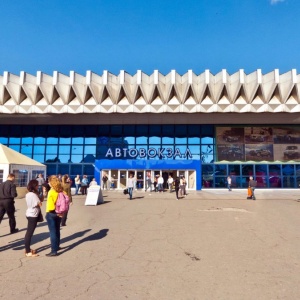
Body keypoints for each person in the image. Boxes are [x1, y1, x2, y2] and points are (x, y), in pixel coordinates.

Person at [24, 179, 42, 257]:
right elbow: (40, 204)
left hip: (29, 212)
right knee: (29, 233)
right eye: (37, 185)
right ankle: (28, 251)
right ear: (34, 186)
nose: (38, 186)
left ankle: (27, 249)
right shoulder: (33, 195)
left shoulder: (28, 194)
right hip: (33, 214)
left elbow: (38, 201)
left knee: (29, 232)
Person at [45, 175, 61, 257]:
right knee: (57, 230)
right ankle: (57, 246)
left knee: (52, 232)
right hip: (59, 212)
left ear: (51, 182)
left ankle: (54, 250)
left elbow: (51, 206)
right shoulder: (60, 190)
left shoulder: (51, 191)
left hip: (52, 212)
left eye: (49, 181)